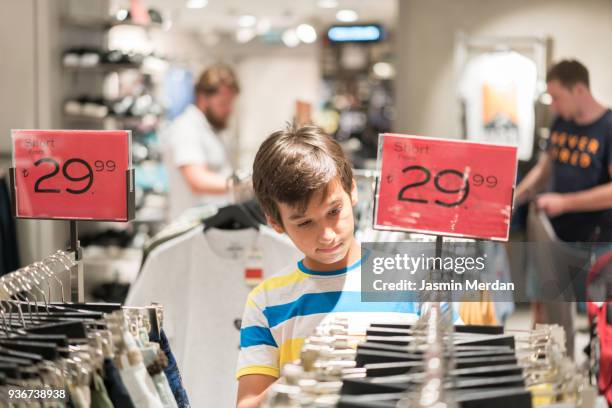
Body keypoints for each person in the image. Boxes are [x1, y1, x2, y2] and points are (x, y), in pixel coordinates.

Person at [235, 125, 431, 408]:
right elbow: (248, 404)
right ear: (275, 222)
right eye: (304, 223)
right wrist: (304, 375)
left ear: (353, 192)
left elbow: (460, 375)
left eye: (333, 211)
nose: (327, 234)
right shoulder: (266, 302)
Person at [515, 59, 612, 242]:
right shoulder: (560, 122)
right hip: (557, 235)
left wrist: (565, 203)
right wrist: (515, 199)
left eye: (556, 98)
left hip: (595, 239)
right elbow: (544, 170)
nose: (552, 106)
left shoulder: (608, 127)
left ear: (579, 90)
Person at [163, 63, 239, 220]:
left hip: (210, 225)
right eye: (223, 104)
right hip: (191, 229)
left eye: (230, 104)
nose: (229, 110)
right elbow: (198, 181)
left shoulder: (212, 129)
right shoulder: (186, 128)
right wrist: (247, 186)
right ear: (203, 98)